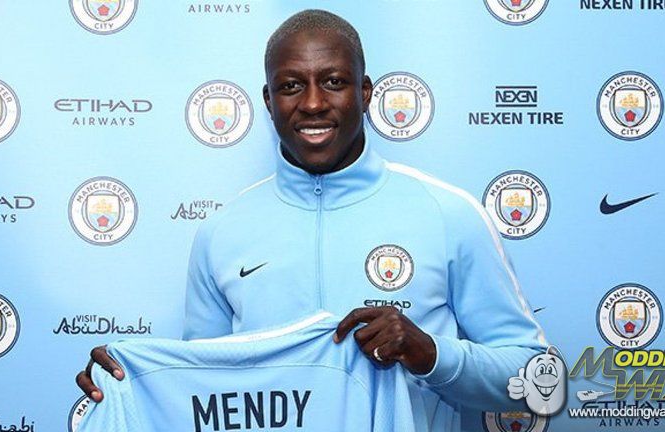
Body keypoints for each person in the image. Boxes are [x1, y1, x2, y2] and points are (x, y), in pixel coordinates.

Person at [77, 9, 548, 431]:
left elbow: (536, 380)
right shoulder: (221, 232)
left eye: (334, 82)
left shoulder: (449, 214)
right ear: (268, 100)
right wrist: (129, 384)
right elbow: (202, 392)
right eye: (291, 86)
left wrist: (430, 354)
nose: (314, 103)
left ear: (365, 92)